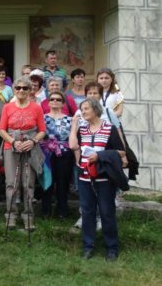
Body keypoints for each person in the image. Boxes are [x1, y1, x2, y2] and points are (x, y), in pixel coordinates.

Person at [73, 98, 126, 261]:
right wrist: (74, 126)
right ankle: (88, 246)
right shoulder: (82, 129)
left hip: (104, 178)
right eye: (82, 109)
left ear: (96, 110)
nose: (83, 112)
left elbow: (121, 152)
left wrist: (100, 155)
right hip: (84, 177)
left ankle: (112, 248)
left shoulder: (109, 129)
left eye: (86, 109)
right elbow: (73, 146)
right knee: (87, 212)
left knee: (106, 212)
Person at [0, 77, 46, 231]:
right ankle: (11, 216)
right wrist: (13, 141)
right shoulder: (7, 107)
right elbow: (1, 130)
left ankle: (28, 217)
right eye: (18, 88)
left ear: (30, 90)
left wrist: (32, 141)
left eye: (25, 88)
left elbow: (42, 131)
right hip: (10, 146)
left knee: (28, 184)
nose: (21, 91)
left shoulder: (37, 108)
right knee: (11, 184)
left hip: (29, 147)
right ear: (14, 89)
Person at [40, 91, 74, 218]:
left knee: (62, 183)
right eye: (52, 99)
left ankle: (62, 211)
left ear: (63, 103)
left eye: (58, 99)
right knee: (47, 182)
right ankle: (45, 211)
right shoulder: (42, 117)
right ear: (48, 102)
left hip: (64, 154)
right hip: (46, 153)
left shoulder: (70, 119)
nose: (55, 101)